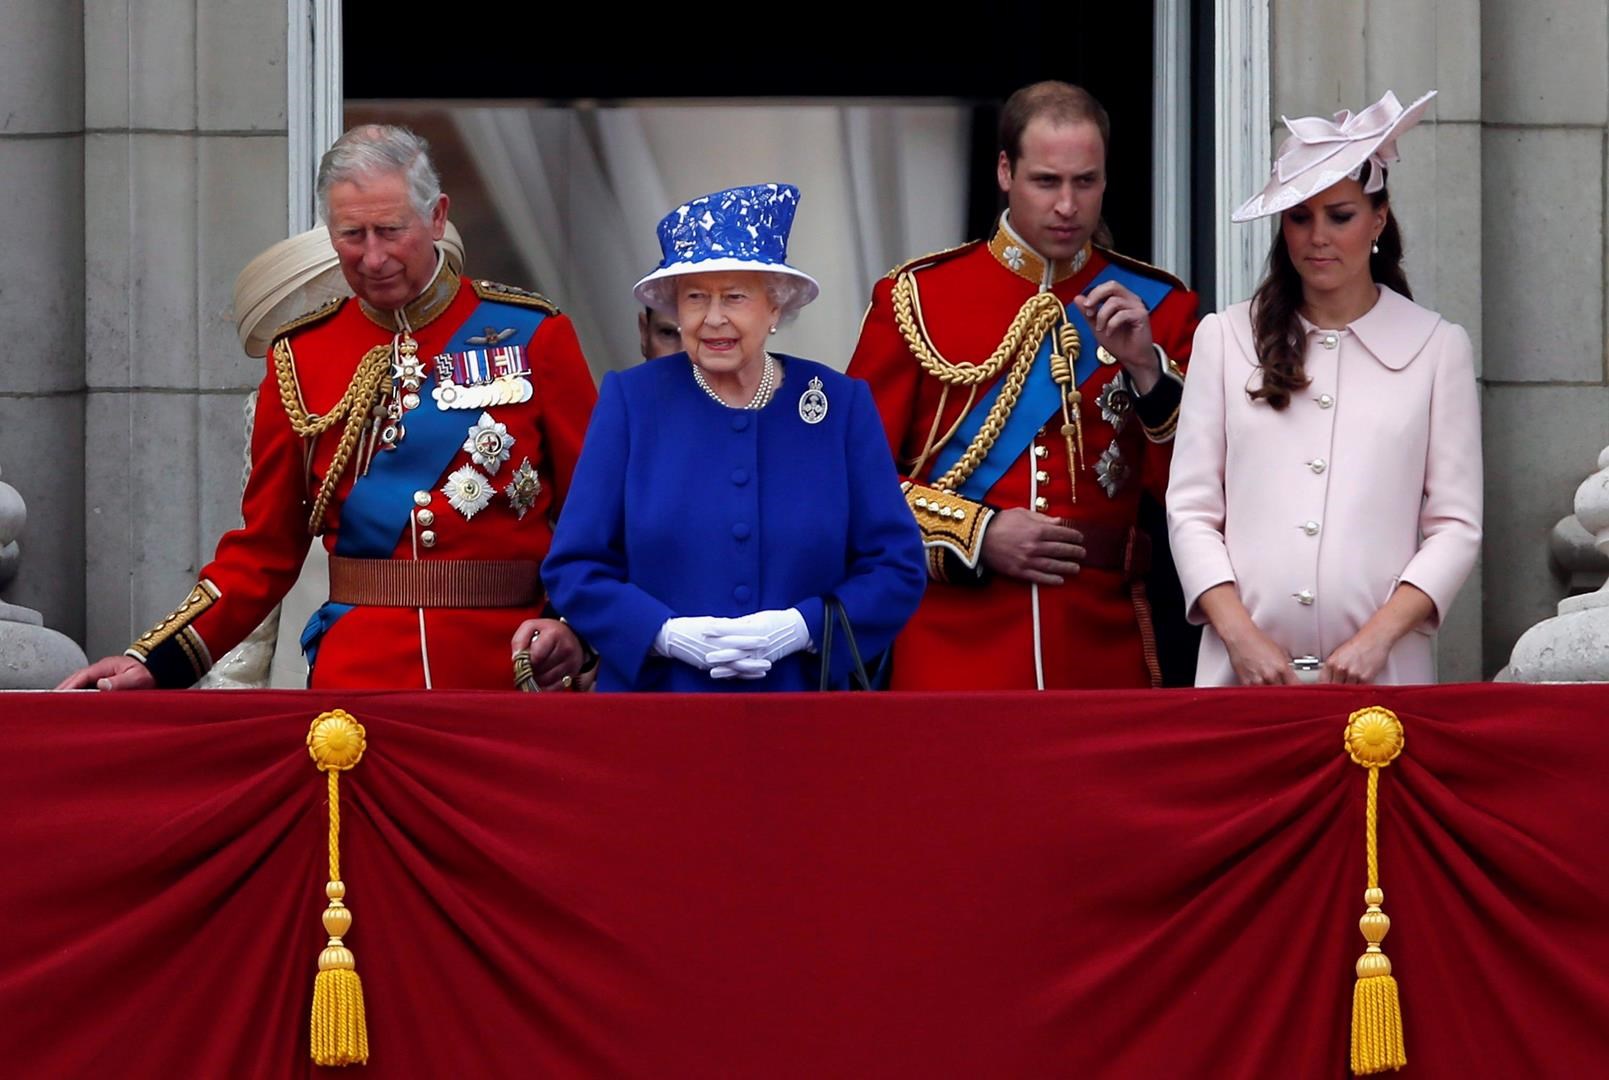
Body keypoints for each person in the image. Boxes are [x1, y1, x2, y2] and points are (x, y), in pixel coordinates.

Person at [60, 124, 598, 692]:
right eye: (352, 234)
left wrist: (573, 628)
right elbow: (263, 551)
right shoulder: (301, 354)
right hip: (358, 675)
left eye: (391, 230)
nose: (373, 256)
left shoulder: (533, 335)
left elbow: (600, 516)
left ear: (437, 217)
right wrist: (155, 660)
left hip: (507, 669)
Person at [847, 81, 1201, 690]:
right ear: (1005, 171)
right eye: (1047, 181)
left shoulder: (1160, 309)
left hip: (1100, 647)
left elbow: (1196, 494)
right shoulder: (918, 297)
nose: (1067, 205)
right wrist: (977, 532)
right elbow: (851, 481)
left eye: (1085, 182)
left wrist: (1147, 368)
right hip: (951, 646)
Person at [542, 183, 926, 691]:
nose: (714, 318)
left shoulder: (839, 407)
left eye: (736, 297)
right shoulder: (631, 403)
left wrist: (804, 627)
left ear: (775, 308)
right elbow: (575, 565)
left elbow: (896, 567)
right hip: (657, 712)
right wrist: (662, 633)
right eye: (696, 297)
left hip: (803, 709)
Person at [1166, 90, 1482, 686]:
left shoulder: (1438, 347)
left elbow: (1456, 525)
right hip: (1243, 677)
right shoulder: (1226, 338)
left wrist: (1379, 638)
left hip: (1382, 676)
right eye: (1299, 216)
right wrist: (1240, 637)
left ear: (1378, 219)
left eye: (1340, 215)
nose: (1317, 237)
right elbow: (1191, 509)